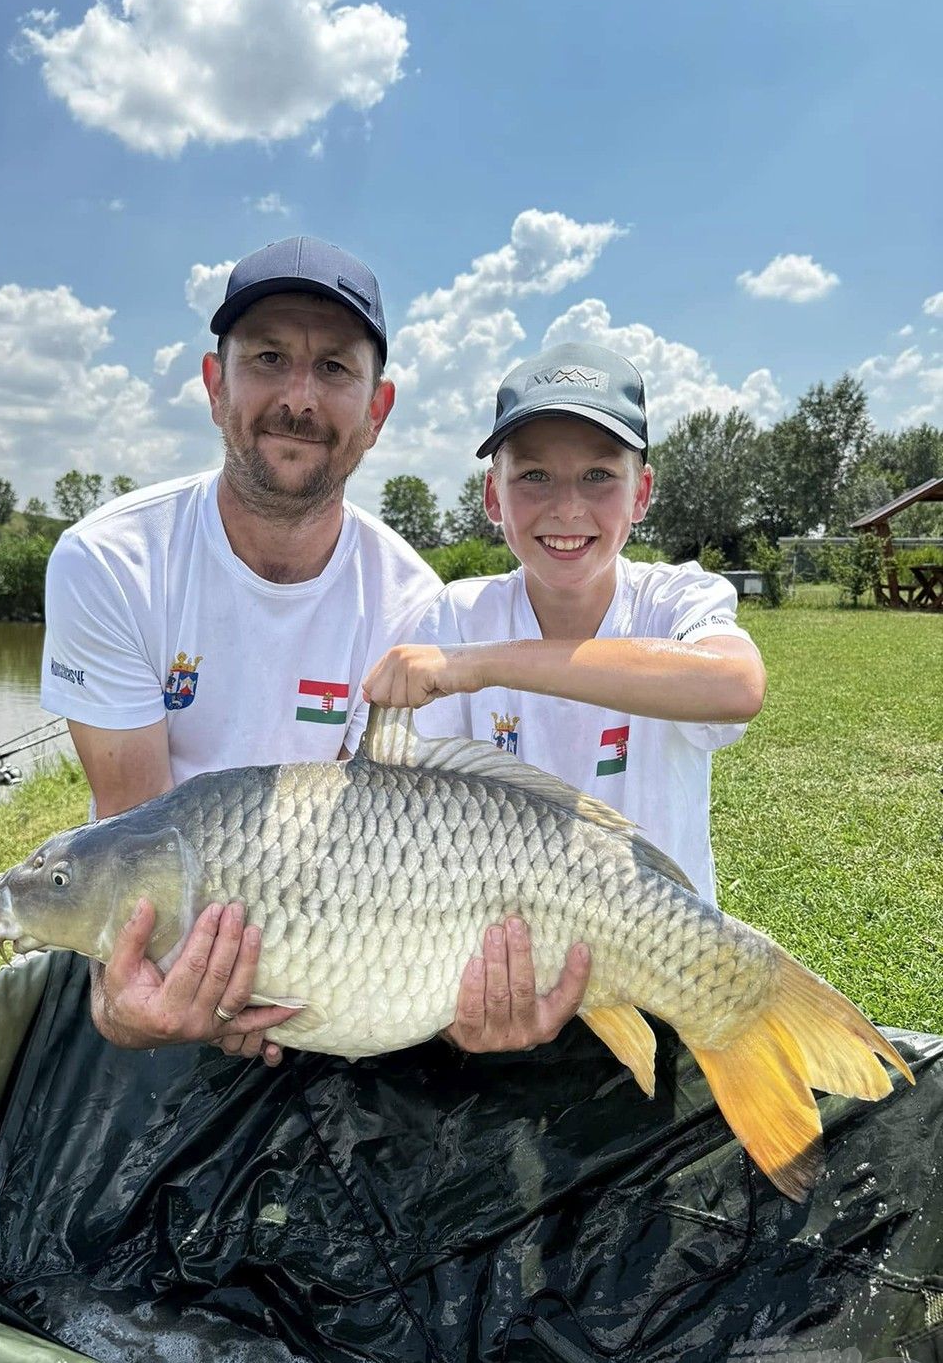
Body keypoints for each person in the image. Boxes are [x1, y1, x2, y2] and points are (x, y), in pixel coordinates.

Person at [41, 237, 590, 1067]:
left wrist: (434, 995)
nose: (298, 399)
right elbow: (132, 835)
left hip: (334, 940)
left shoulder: (411, 602)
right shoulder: (111, 563)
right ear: (214, 382)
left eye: (334, 369)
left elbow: (397, 842)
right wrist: (124, 1004)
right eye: (268, 358)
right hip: (188, 920)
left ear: (378, 409)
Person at [363, 341, 767, 907]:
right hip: (509, 951)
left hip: (660, 954)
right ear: (492, 496)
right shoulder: (458, 613)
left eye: (599, 474)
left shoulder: (677, 598)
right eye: (534, 476)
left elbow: (736, 685)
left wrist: (476, 663)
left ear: (641, 494)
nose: (568, 508)